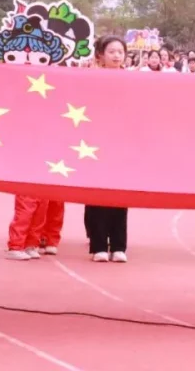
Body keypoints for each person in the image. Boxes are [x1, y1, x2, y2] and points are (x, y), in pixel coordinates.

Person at [85, 36, 130, 263]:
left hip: (122, 144)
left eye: (120, 51)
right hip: (95, 143)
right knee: (96, 194)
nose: (116, 55)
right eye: (111, 51)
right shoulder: (91, 79)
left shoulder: (133, 80)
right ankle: (99, 245)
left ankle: (119, 246)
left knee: (120, 194)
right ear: (101, 55)